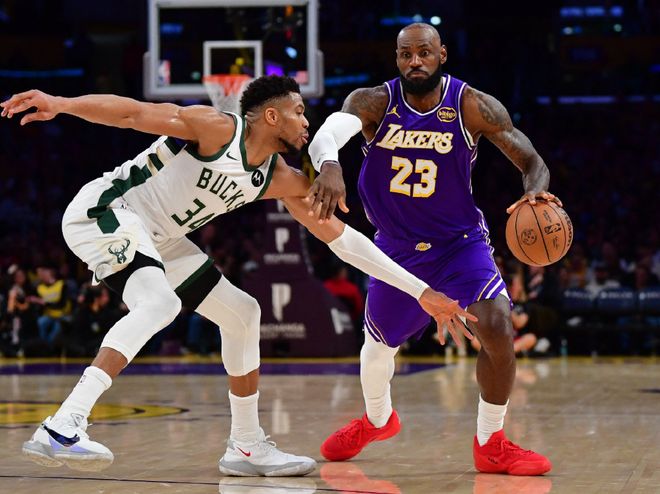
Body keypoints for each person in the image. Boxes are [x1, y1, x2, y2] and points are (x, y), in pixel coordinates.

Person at [1, 74, 474, 476]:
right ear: (270, 116)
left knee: (243, 314)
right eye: (298, 112)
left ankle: (245, 445)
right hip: (108, 209)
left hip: (162, 238)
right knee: (160, 303)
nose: (306, 121)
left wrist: (421, 291)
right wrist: (61, 103)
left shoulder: (278, 177)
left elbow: (344, 242)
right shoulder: (215, 128)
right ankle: (64, 425)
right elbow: (131, 113)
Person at [307, 23, 561, 475]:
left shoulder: (472, 105)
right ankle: (377, 420)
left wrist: (534, 192)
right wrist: (328, 165)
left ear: (441, 54)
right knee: (376, 352)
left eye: (424, 53)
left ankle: (491, 442)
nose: (415, 62)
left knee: (497, 326)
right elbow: (326, 135)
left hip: (458, 244)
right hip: (396, 249)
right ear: (397, 58)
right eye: (406, 54)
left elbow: (532, 161)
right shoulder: (373, 102)